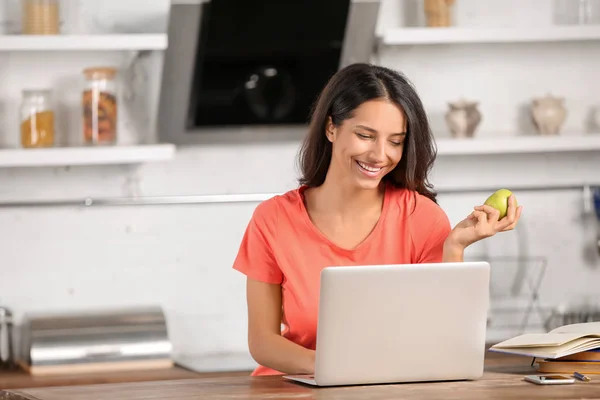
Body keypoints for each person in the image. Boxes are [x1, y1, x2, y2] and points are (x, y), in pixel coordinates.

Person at [232, 63, 522, 377]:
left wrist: (455, 247)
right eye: (365, 136)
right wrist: (332, 369)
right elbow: (262, 341)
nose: (380, 155)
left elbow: (443, 337)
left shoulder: (421, 218)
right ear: (331, 128)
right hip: (295, 386)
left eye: (395, 141)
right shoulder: (273, 219)